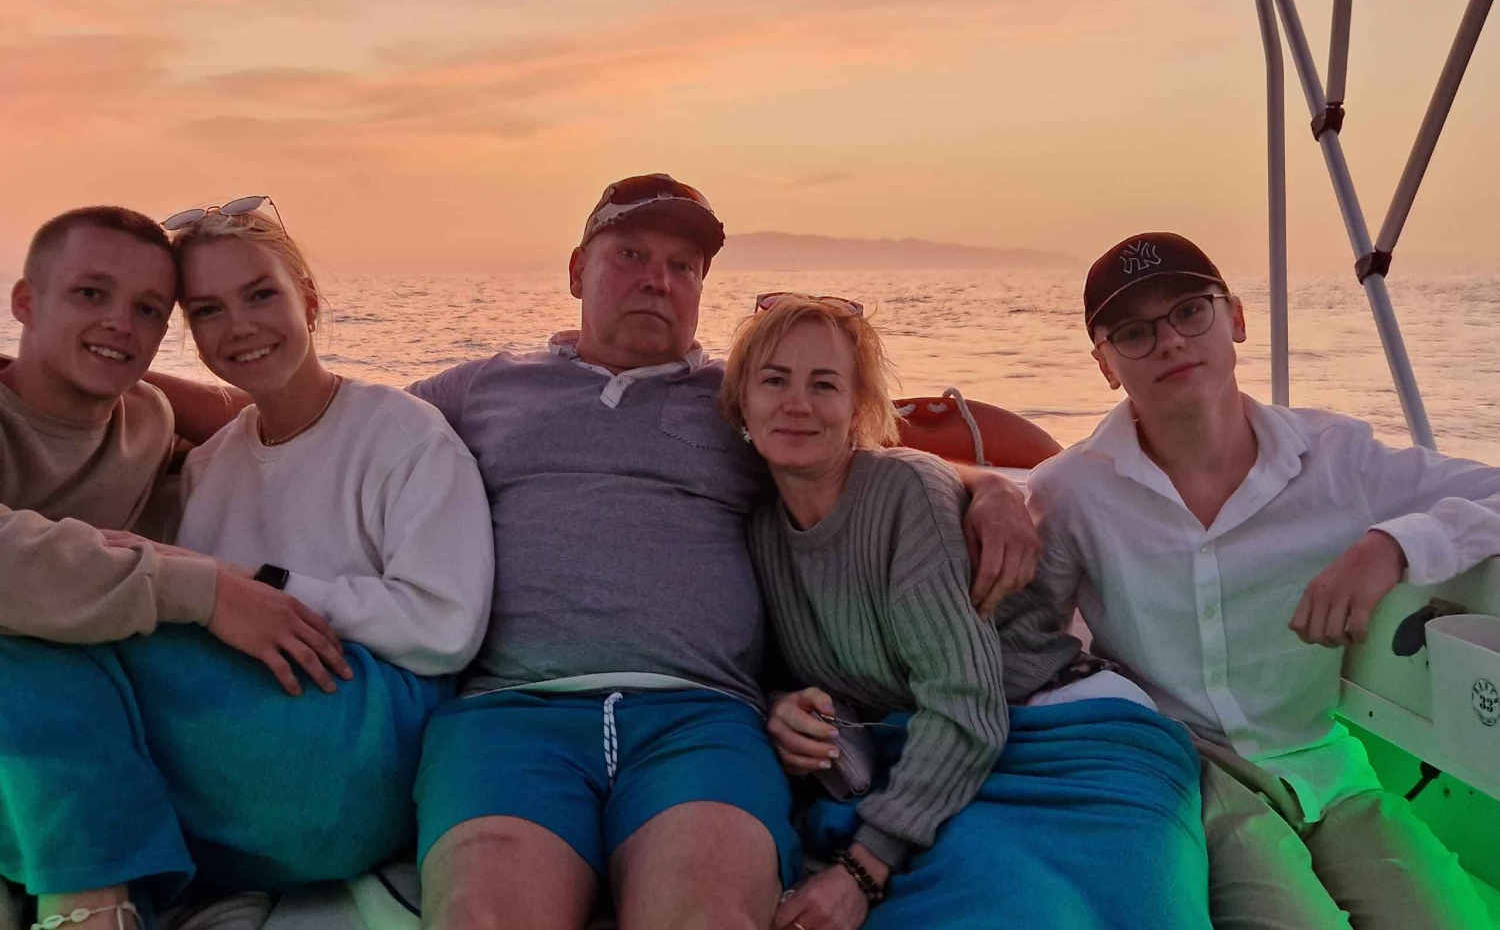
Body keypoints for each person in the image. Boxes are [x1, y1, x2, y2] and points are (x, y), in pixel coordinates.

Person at [146, 174, 1044, 930]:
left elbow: (860, 450)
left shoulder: (743, 400)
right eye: (632, 255)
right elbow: (317, 409)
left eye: (682, 266)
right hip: (508, 715)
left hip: (701, 713)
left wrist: (990, 487)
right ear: (578, 270)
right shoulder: (479, 390)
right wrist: (133, 392)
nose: (657, 279)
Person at [0, 202, 495, 930]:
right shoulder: (207, 461)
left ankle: (91, 905)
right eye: (207, 310)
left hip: (362, 738)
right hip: (249, 749)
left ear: (310, 299)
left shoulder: (404, 434)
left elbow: (443, 626)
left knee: (35, 636)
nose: (238, 327)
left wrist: (255, 587)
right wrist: (206, 588)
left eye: (261, 295)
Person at [1025, 231, 1499, 929]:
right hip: (1192, 772)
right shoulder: (1070, 492)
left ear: (1237, 318)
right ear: (1105, 364)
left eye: (1191, 311)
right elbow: (1027, 641)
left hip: (1328, 765)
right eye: (1133, 332)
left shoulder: (1338, 460)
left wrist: (1393, 544)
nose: (1169, 341)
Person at [721, 294, 1211, 930]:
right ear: (742, 401)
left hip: (1072, 735)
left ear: (857, 409)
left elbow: (966, 702)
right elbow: (778, 668)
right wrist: (784, 705)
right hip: (943, 752)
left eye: (824, 385)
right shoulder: (758, 529)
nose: (797, 404)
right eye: (774, 380)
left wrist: (863, 869)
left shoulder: (905, 494)